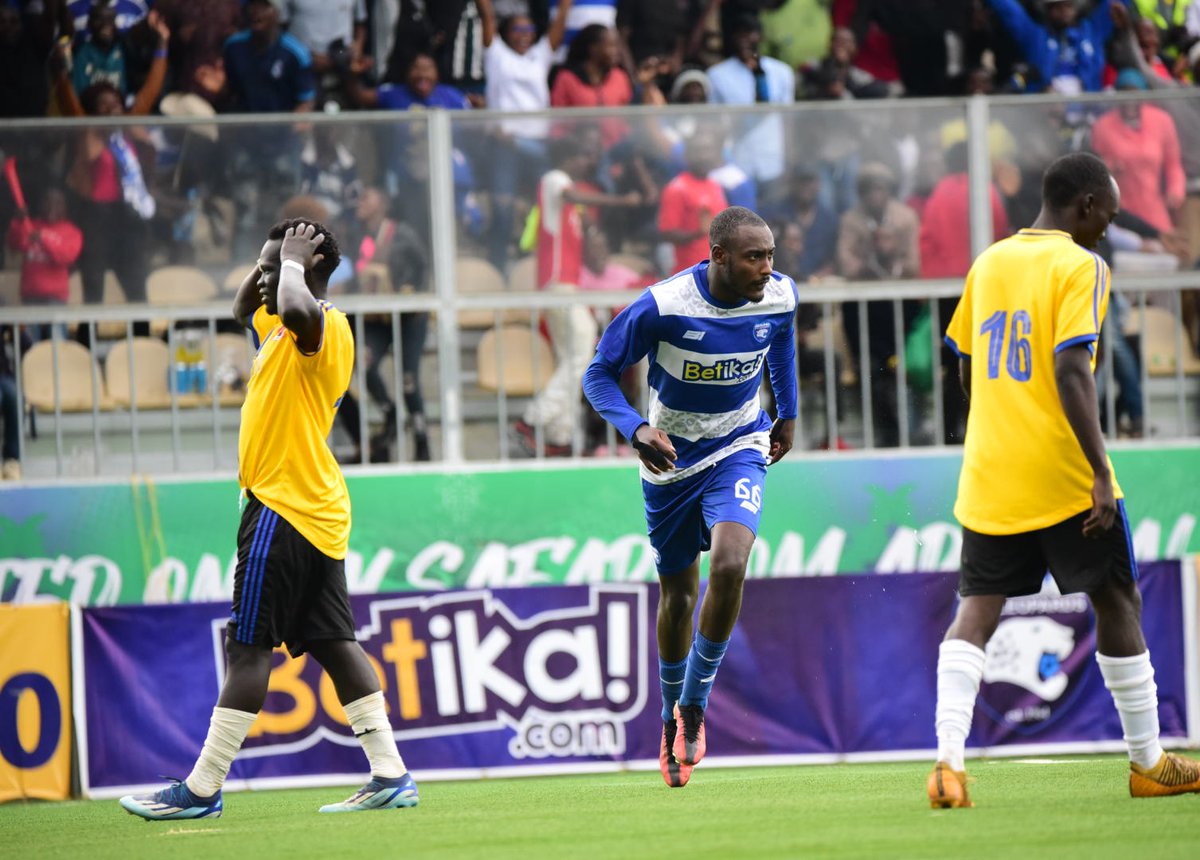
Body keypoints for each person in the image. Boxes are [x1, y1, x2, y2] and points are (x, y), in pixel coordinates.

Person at [119, 220, 418, 819]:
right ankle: (390, 773)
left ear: (305, 271)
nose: (265, 277)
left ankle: (202, 788)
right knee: (335, 643)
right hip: (312, 509)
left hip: (284, 506)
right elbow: (242, 308)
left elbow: (292, 303)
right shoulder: (279, 327)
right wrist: (270, 260)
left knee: (249, 647)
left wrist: (291, 265)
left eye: (277, 265)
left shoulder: (323, 326)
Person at [928, 152, 1200, 808]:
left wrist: (995, 424)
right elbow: (1073, 372)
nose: (1106, 227)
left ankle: (948, 765)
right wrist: (1101, 473)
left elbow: (963, 363)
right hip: (1062, 473)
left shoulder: (989, 261)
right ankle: (1147, 762)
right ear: (1083, 206)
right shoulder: (1081, 266)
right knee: (1115, 601)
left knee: (977, 612)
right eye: (1105, 213)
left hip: (992, 472)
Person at [582, 206, 797, 788]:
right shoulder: (663, 305)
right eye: (755, 257)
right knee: (678, 598)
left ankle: (695, 705)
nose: (767, 268)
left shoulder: (778, 295)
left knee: (730, 563)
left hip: (740, 445)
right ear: (718, 257)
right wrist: (635, 429)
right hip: (671, 460)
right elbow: (597, 374)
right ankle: (666, 718)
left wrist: (789, 413)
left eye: (771, 255)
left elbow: (780, 341)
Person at [6, 188, 84, 342]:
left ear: (64, 207)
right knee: (31, 343)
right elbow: (14, 244)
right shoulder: (30, 225)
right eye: (47, 202)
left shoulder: (71, 232)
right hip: (30, 295)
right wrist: (18, 222)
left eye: (57, 203)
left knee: (57, 343)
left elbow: (66, 257)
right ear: (41, 205)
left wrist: (44, 240)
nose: (51, 206)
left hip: (55, 298)